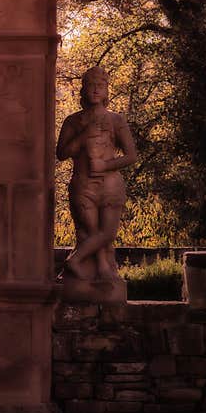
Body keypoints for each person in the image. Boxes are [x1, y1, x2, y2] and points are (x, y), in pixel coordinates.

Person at [56, 66, 137, 282]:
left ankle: (77, 260)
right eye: (90, 85)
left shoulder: (116, 121)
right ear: (83, 90)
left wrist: (105, 165)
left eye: (100, 86)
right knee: (89, 230)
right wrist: (83, 138)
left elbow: (131, 156)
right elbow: (61, 153)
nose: (95, 90)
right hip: (83, 185)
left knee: (107, 234)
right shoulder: (73, 121)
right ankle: (101, 267)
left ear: (107, 91)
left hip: (110, 186)